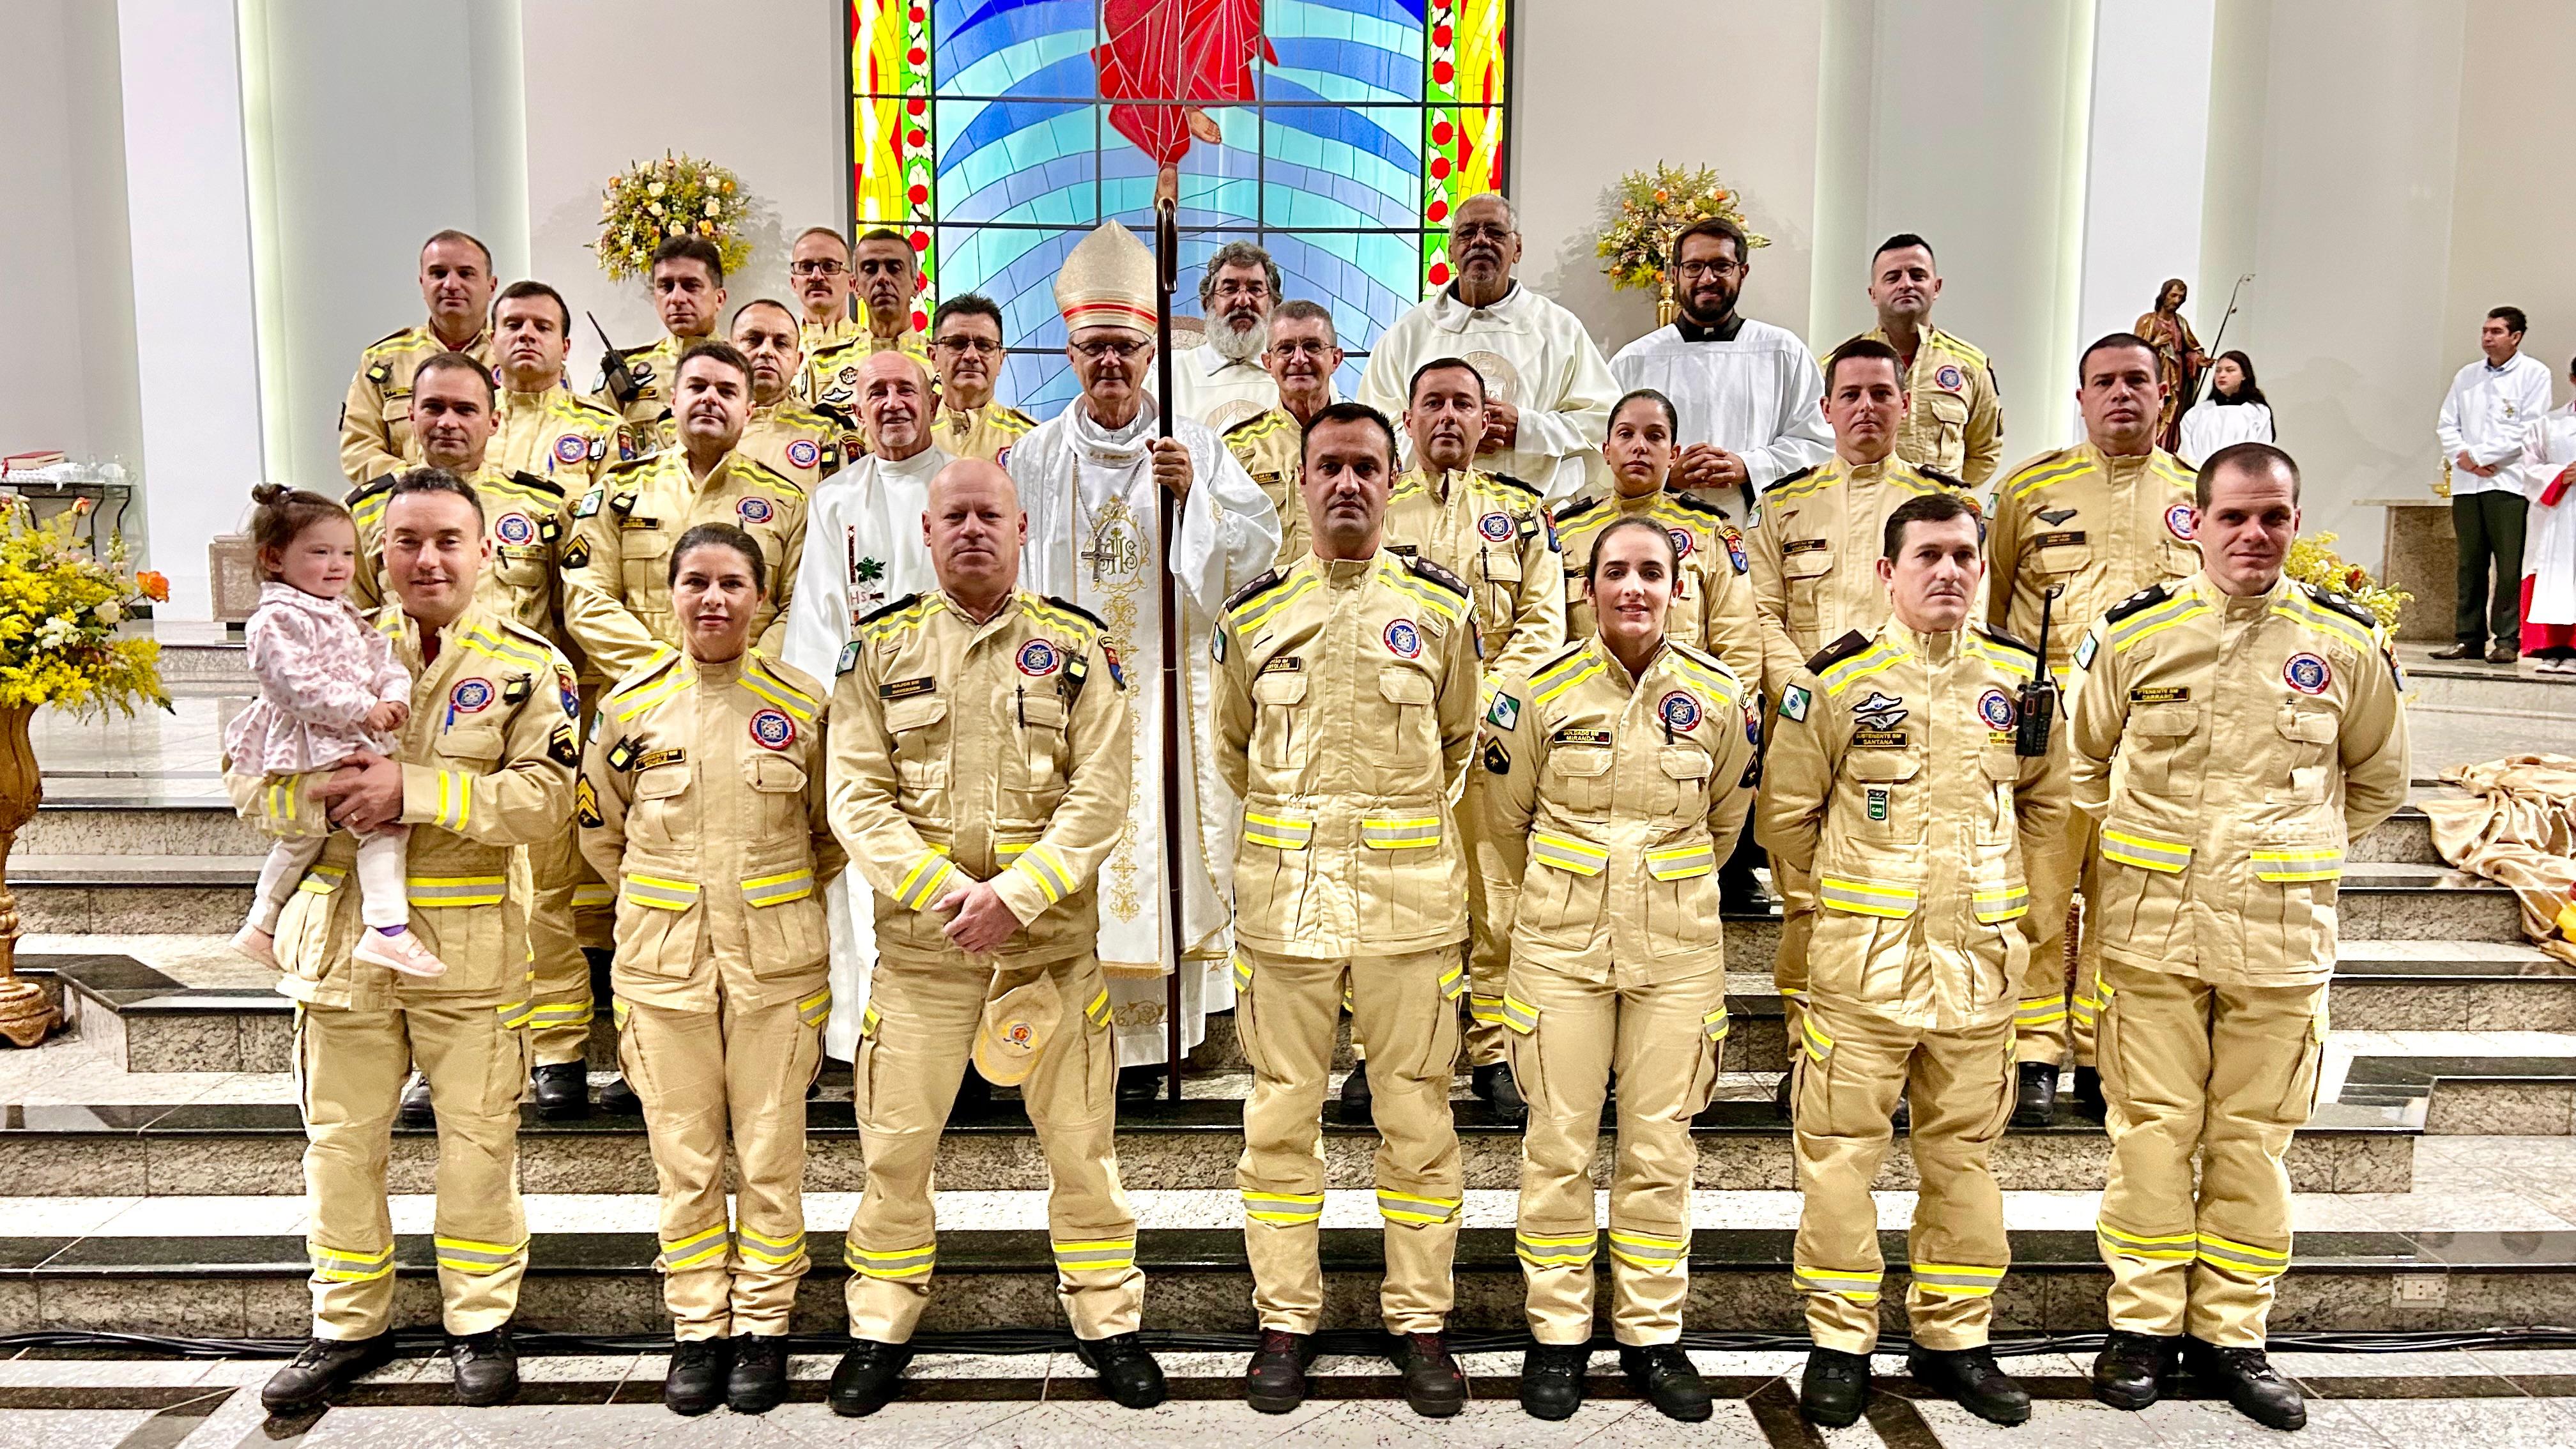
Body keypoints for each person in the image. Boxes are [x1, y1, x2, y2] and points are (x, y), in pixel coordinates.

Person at [2072, 442, 2409, 1432]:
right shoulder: (2137, 636)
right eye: (2235, 517)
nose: (2254, 536)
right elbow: (2087, 764)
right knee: (2150, 1135)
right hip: (2152, 932)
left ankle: (2233, 1335)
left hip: (2278, 935)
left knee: (2254, 1144)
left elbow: (2378, 782)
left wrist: (2286, 853)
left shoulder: (2345, 646)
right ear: (2198, 522)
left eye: (2273, 517)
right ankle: (2141, 1327)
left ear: (2296, 523)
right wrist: (2157, 850)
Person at [825, 458, 1165, 1416]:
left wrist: (1018, 895)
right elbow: (856, 797)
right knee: (894, 1151)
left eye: (991, 516)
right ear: (926, 537)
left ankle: (1109, 1319)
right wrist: (947, 893)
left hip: (1047, 955)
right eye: (953, 517)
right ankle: (881, 1323)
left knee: (1082, 1148)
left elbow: (1101, 796)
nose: (972, 530)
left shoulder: (1075, 648)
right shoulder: (877, 652)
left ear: (1022, 532)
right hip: (927, 960)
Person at [250, 467, 576, 1414]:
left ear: (484, 552)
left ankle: (480, 1320)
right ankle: (348, 1325)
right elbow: (248, 787)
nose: (426, 559)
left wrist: (417, 791)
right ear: (376, 555)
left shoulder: (528, 666)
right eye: (405, 542)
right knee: (340, 1147)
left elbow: (549, 807)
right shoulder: (321, 646)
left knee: (478, 1144)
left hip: (469, 948)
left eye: (447, 541)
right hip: (340, 941)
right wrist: (313, 794)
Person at [1758, 491, 2067, 1429]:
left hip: (1977, 969)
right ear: (1887, 573)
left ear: (1982, 569)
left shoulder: (2020, 679)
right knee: (1840, 1162)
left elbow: (2050, 809)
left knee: (1964, 1160)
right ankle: (1840, 1341)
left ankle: (1955, 1336)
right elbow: (1786, 817)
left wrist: (2022, 920)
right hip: (1862, 970)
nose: (1947, 571)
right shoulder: (1837, 681)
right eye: (1926, 555)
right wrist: (1846, 907)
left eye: (1963, 556)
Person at [1214, 401, 1481, 1420]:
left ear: (1393, 473)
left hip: (1411, 911)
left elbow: (1460, 748)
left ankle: (1421, 1321)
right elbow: (1232, 750)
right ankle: (1287, 1318)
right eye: (1329, 466)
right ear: (1302, 478)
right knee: (1281, 1121)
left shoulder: (1443, 611)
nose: (1347, 485)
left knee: (1416, 1121)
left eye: (1367, 466)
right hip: (1285, 910)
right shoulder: (1255, 615)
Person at [1480, 518, 1756, 1424]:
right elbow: (1503, 819)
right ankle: (1557, 1335)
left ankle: (1651, 1335)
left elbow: (1725, 822)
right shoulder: (1538, 694)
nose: (1634, 587)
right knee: (1557, 1146)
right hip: (1560, 951)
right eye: (1616, 572)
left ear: (1678, 586)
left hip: (1677, 956)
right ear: (1586, 588)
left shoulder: (1718, 697)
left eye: (1652, 572)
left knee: (1659, 1148)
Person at [1009, 220, 1280, 1098]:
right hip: (1070, 700)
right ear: (1071, 351)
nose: (1113, 366)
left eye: (1128, 348)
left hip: (1174, 693)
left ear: (1150, 350)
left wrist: (1194, 499)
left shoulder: (1193, 446)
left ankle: (1169, 1034)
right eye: (1096, 350)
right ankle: (1077, 1028)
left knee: (1171, 853)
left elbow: (1260, 549)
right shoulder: (1035, 455)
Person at [579, 525, 843, 1417]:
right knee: (685, 1162)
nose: (714, 599)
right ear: (673, 592)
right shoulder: (628, 706)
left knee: (772, 1157)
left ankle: (766, 1327)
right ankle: (698, 1328)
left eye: (734, 583)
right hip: (663, 968)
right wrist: (671, 903)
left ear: (763, 600)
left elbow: (829, 831)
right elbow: (598, 830)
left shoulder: (802, 704)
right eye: (696, 581)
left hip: (776, 965)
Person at [345, 353, 599, 1119]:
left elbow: (569, 610)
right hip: (400, 717)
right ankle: (425, 1047)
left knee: (545, 897)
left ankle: (556, 1043)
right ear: (410, 418)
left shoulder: (543, 507)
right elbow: (348, 621)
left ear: (495, 419)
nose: (448, 422)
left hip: (512, 711)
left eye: (464, 409)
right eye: (433, 409)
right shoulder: (364, 515)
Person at [1984, 333, 2200, 1122]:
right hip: (2053, 730)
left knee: (2131, 900)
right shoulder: (2031, 491)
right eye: (2103, 382)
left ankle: (2108, 1051)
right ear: (2080, 398)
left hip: (2159, 740)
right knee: (2041, 894)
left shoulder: (2197, 492)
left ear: (2164, 393)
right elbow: (1994, 602)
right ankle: (2035, 1045)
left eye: (2137, 380)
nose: (2121, 395)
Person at [1746, 337, 1959, 1108]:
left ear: (1905, 404)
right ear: (1828, 409)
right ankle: (1812, 1051)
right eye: (1852, 395)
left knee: (1909, 887)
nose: (1867, 407)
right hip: (1809, 729)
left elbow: (1964, 616)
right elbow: (1760, 610)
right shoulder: (1786, 503)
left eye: (1882, 393)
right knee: (1805, 894)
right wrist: (1800, 690)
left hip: (1908, 739)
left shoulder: (1944, 506)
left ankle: (1900, 1052)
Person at [1360, 356, 1566, 1123]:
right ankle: (1378, 1053)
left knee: (1496, 899)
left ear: (1487, 421)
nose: (1448, 417)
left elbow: (1545, 621)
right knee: (1388, 895)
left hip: (1492, 743)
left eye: (1463, 404)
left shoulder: (1521, 513)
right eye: (1433, 403)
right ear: (1408, 420)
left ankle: (1492, 1049)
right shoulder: (1377, 503)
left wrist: (1488, 700)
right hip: (1397, 737)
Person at [781, 350, 953, 1063]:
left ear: (933, 403)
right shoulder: (835, 500)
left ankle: (965, 1048)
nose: (892, 404)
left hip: (954, 728)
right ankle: (868, 1040)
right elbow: (819, 621)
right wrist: (826, 722)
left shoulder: (965, 486)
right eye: (875, 392)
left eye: (905, 390)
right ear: (858, 410)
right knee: (864, 882)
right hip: (865, 727)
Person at [1552, 390, 1766, 913]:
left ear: (1675, 454)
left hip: (1683, 731)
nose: (1639, 447)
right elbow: (1549, 637)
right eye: (1626, 434)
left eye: (1655, 437)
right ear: (1605, 448)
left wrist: (1725, 730)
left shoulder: (1711, 532)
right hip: (1584, 733)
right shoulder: (1564, 531)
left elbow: (1738, 643)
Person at [226, 486, 441, 981]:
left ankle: (260, 926)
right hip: (312, 740)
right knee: (377, 824)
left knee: (304, 839)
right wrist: (364, 707)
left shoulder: (341, 611)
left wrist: (395, 697)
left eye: (346, 553)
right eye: (319, 553)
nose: (338, 565)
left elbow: (381, 659)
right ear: (274, 558)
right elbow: (295, 686)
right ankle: (387, 930)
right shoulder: (276, 618)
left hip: (348, 733)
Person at [564, 341, 809, 686]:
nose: (710, 398)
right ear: (674, 400)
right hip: (640, 697)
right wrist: (666, 676)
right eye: (697, 387)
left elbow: (799, 609)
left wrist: (745, 677)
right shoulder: (618, 491)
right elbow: (587, 602)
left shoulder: (787, 501)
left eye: (727, 391)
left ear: (749, 411)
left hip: (753, 701)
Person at [1359, 193, 1620, 501]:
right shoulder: (1408, 334)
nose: (1480, 241)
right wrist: (1450, 437)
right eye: (1467, 233)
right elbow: (1373, 433)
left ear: (1517, 248)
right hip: (1426, 513)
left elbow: (1605, 424)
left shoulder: (1559, 330)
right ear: (1451, 250)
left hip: (1534, 513)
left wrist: (1525, 429)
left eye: (1495, 232)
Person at [1607, 217, 1832, 519]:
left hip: (1758, 528)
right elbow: (1603, 452)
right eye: (1694, 267)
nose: (1707, 278)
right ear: (1675, 275)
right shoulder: (1635, 359)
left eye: (1721, 266)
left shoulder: (1783, 351)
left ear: (1743, 272)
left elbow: (1819, 444)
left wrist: (1749, 467)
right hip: (1658, 532)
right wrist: (1665, 475)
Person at [2435, 306, 2556, 663]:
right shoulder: (2467, 376)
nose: (2487, 337)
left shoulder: (2534, 374)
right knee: (2469, 563)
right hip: (2468, 481)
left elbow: (2531, 428)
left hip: (2508, 481)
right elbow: (2447, 422)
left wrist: (2484, 456)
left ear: (2516, 337)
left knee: (2508, 563)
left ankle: (2507, 639)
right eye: (2485, 331)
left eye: (2497, 332)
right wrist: (2465, 456)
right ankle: (2468, 637)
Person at [1839, 234, 2003, 487]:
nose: (1906, 284)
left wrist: (1945, 494)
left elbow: (1984, 452)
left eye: (1917, 275)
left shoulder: (1970, 365)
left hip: (1938, 517)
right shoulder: (1838, 366)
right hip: (1860, 513)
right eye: (1893, 277)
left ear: (1936, 287)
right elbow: (1821, 446)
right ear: (1873, 294)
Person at [340, 230, 498, 489]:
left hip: (503, 510)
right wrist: (420, 483)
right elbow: (359, 448)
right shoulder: (383, 361)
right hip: (407, 505)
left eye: (466, 273)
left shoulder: (521, 359)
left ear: (491, 286)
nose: (451, 285)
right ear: (422, 282)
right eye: (438, 274)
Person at [1224, 300, 1343, 569]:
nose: (1299, 359)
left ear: (1335, 359)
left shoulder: (1365, 442)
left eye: (1313, 346)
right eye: (1286, 349)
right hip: (1268, 604)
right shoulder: (1237, 447)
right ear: (1268, 362)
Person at [488, 280, 633, 488]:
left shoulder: (603, 429)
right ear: (492, 341)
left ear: (565, 348)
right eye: (513, 325)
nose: (526, 334)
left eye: (543, 327)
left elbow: (613, 517)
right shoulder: (466, 420)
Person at [600, 235, 728, 431]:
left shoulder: (745, 366)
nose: (677, 298)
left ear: (719, 299)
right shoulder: (625, 370)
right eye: (666, 287)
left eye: (691, 286)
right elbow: (598, 438)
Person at [807, 229, 933, 413]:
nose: (882, 278)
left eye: (894, 268)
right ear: (856, 286)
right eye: (870, 270)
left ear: (917, 285)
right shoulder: (823, 364)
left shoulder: (938, 362)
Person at [730, 298, 846, 489]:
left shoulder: (829, 431)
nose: (767, 351)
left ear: (798, 362)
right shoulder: (693, 426)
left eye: (781, 344)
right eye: (753, 340)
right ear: (729, 351)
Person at [1169, 239, 1283, 432]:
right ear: (1208, 303)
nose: (1243, 301)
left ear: (1274, 304)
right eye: (1230, 289)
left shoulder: (1297, 373)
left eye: (1255, 289)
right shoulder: (1171, 375)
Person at [926, 293, 1039, 464]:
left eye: (984, 346)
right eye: (957, 343)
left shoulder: (1030, 439)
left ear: (1001, 360)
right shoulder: (914, 437)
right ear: (934, 357)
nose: (971, 356)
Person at [2518, 355, 2576, 673]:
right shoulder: (2549, 424)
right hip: (2557, 513)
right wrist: (2560, 475)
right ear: (2572, 380)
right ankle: (2552, 648)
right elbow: (2528, 470)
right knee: (2555, 576)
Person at [2133, 279, 2207, 452]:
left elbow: (2190, 349)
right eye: (2173, 295)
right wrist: (2156, 343)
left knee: (2174, 414)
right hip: (2155, 375)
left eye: (2181, 297)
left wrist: (2197, 359)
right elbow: (2134, 352)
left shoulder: (2180, 323)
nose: (2176, 301)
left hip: (2177, 376)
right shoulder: (2147, 321)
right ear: (2164, 295)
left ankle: (2170, 449)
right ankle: (2150, 447)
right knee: (2155, 411)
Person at [2177, 350, 2275, 466]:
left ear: (2244, 375)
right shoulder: (2196, 413)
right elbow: (2187, 455)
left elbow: (2261, 453)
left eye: (2230, 370)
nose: (2222, 375)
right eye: (2218, 371)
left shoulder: (2258, 412)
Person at [790, 226, 862, 358]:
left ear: (852, 283)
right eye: (806, 267)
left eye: (829, 266)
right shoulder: (782, 352)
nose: (816, 276)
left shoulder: (873, 350)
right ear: (794, 283)